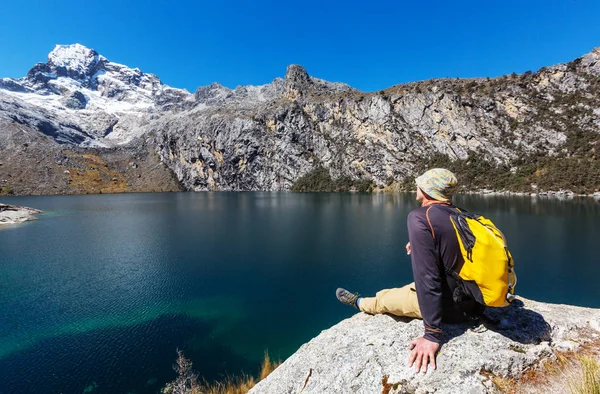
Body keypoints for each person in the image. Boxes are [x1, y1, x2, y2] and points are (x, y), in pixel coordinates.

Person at [336, 168, 483, 373]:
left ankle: (359, 303)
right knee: (400, 290)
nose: (417, 186)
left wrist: (432, 335)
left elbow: (427, 278)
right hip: (474, 300)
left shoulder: (420, 217)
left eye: (420, 183)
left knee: (385, 300)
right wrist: (421, 244)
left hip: (450, 307)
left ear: (428, 190)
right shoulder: (460, 214)